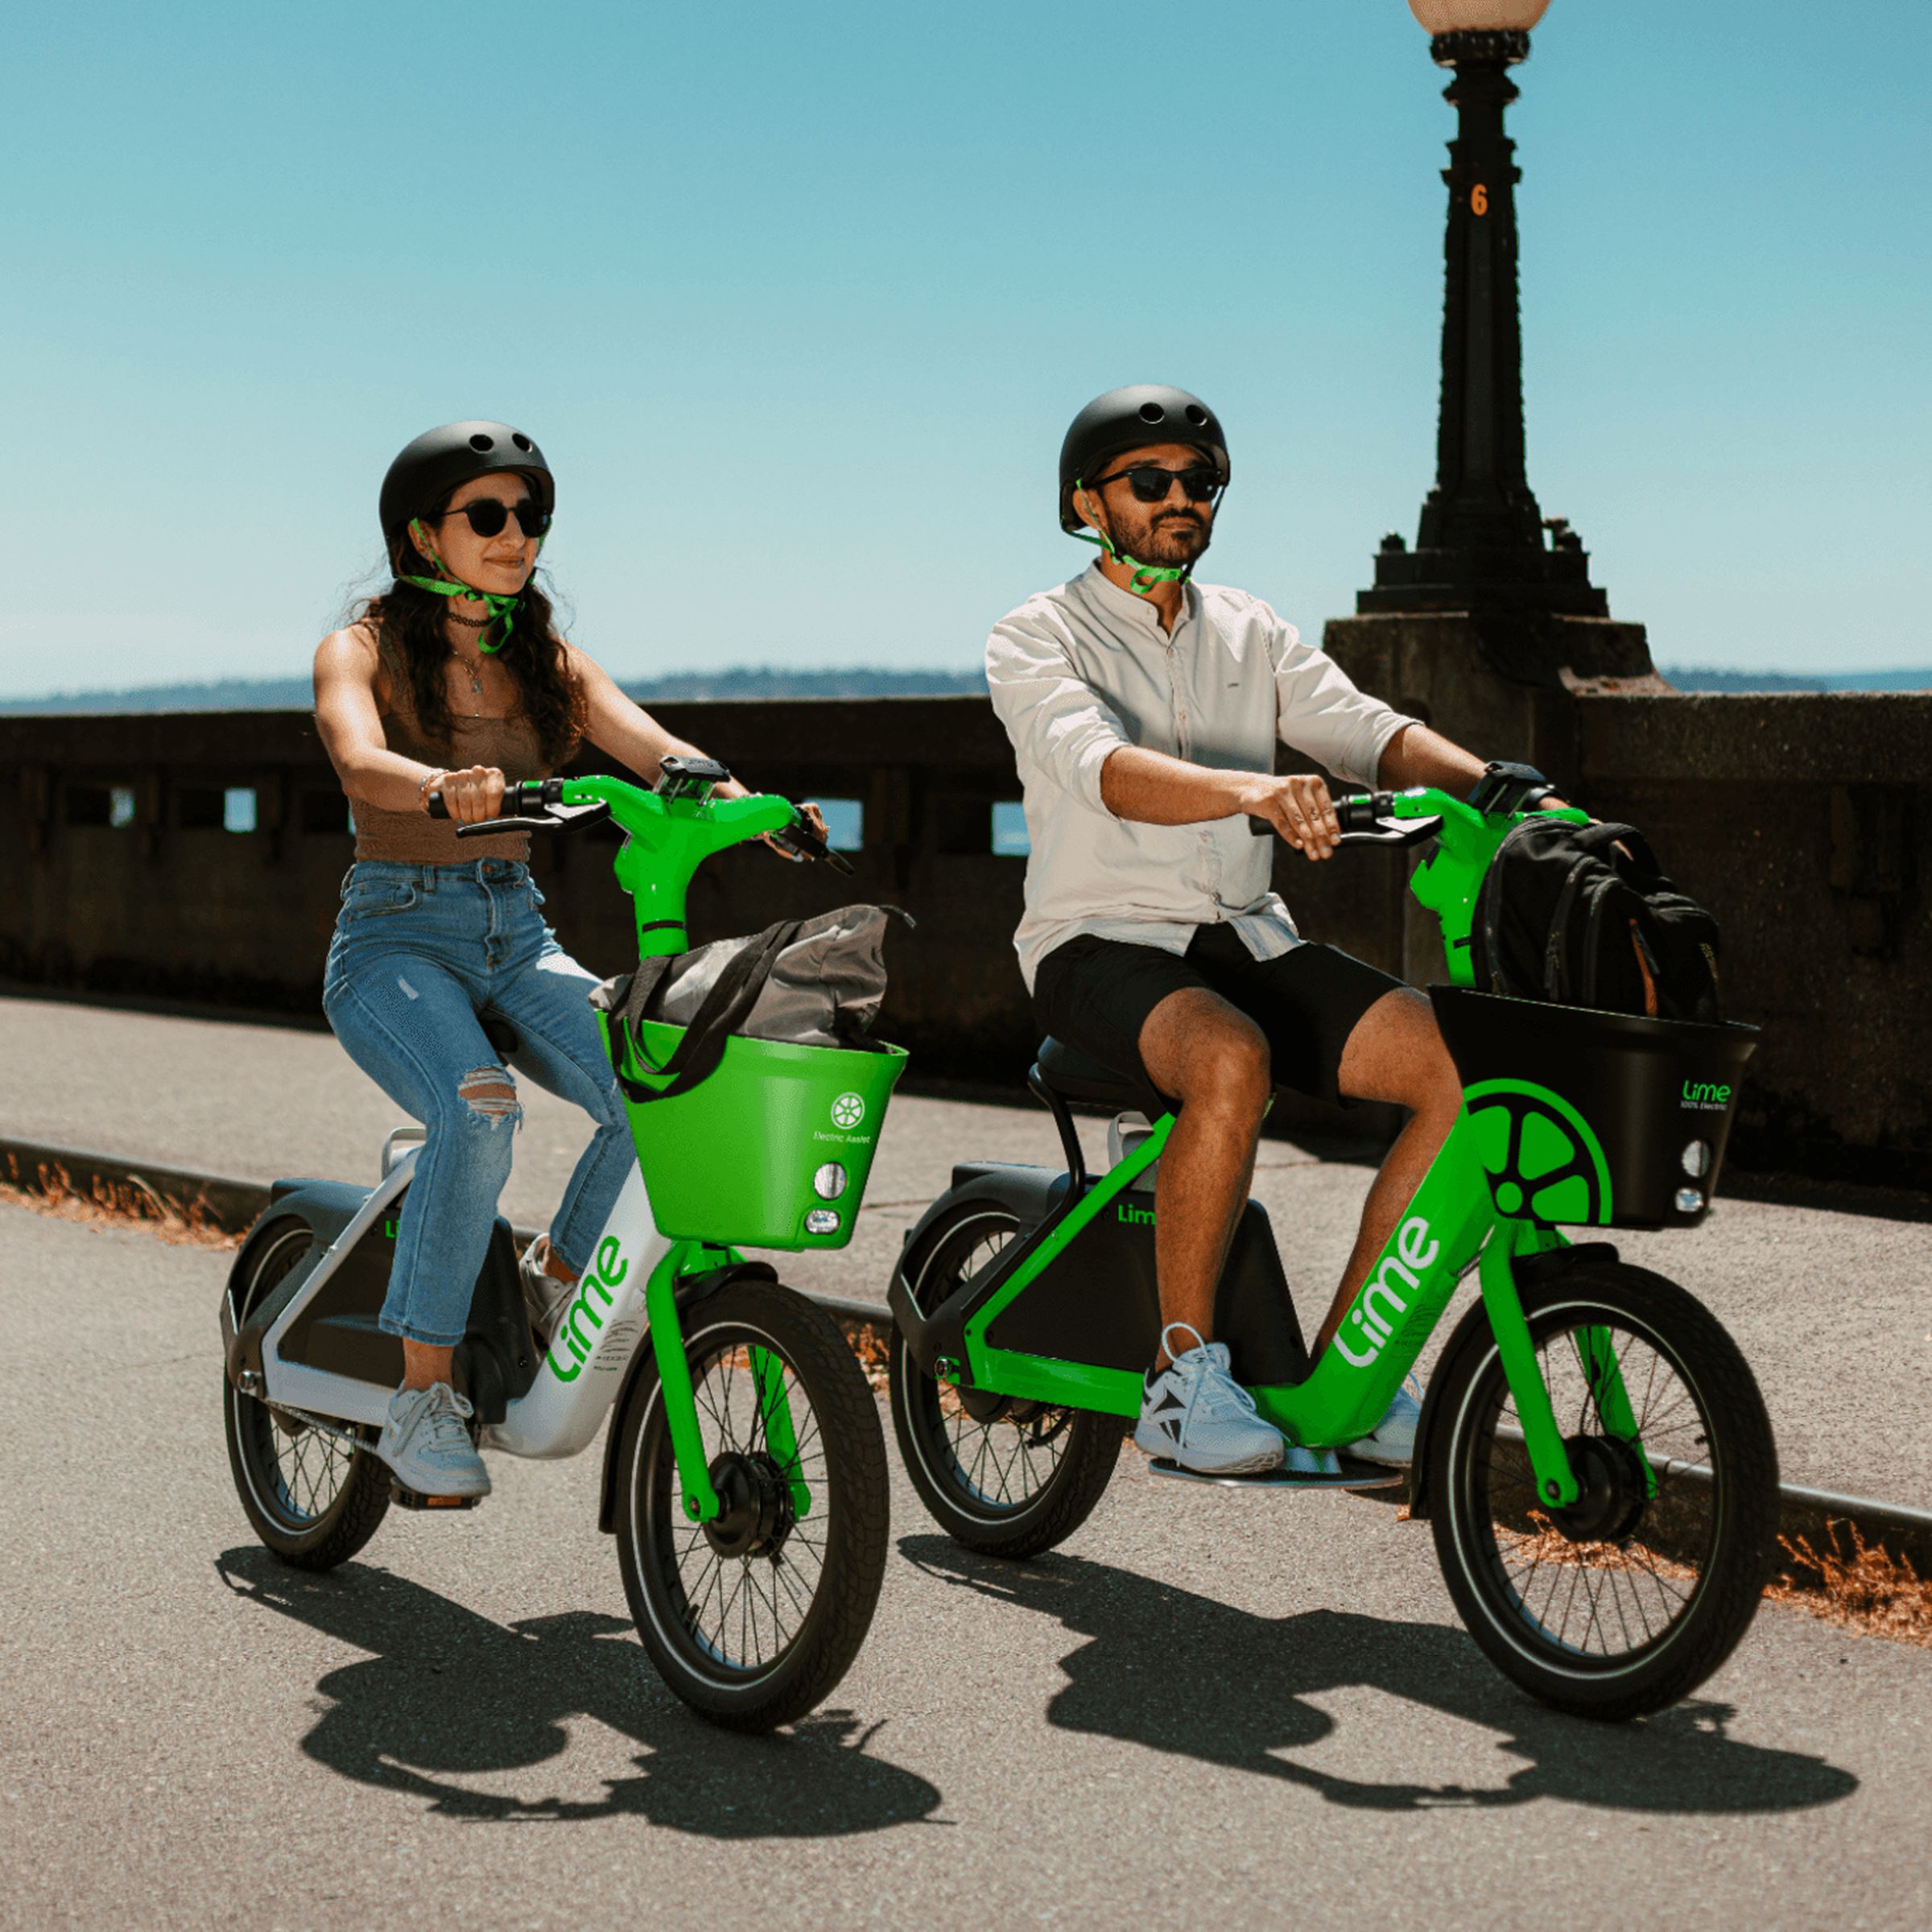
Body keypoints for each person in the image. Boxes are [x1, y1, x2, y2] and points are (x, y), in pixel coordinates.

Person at [985, 384, 1560, 1478]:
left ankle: (1352, 1374)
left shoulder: (1248, 629)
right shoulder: (1035, 635)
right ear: (1085, 502)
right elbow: (1098, 768)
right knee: (1228, 1057)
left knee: (1461, 1067)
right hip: (1095, 941)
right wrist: (1249, 793)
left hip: (1243, 935)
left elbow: (1364, 730)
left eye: (1199, 483)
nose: (1180, 499)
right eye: (1149, 482)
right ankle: (1181, 1379)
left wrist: (1499, 789)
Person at [314, 419, 815, 1500]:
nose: (515, 534)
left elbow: (657, 751)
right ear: (419, 534)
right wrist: (442, 785)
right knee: (480, 1108)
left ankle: (550, 1281)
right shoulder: (361, 647)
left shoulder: (541, 660)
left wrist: (750, 807)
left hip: (515, 928)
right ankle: (421, 1397)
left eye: (529, 516)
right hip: (393, 938)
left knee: (661, 1094)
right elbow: (358, 758)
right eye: (486, 515)